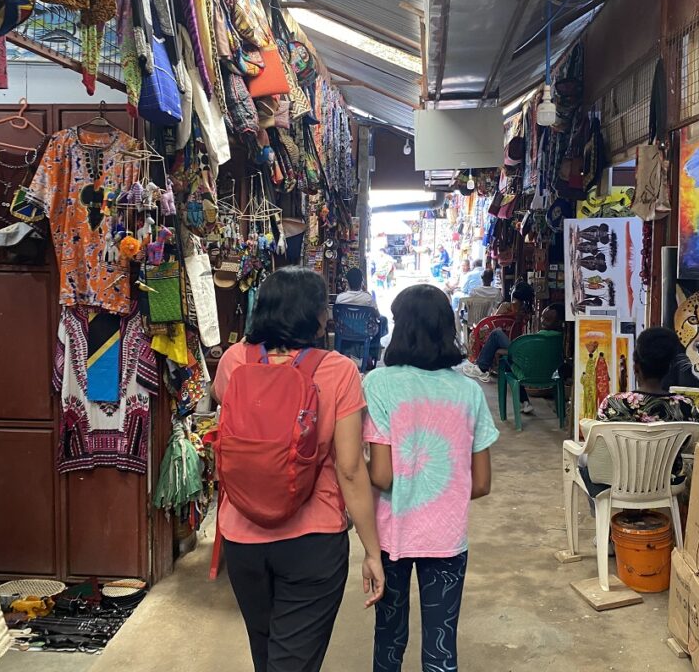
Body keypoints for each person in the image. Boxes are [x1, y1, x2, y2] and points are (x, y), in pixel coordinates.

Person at [211, 268, 385, 672]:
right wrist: (372, 551)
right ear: (316, 316)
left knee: (266, 651)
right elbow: (350, 470)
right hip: (313, 541)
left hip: (241, 537)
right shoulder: (338, 370)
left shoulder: (236, 360)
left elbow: (227, 418)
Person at [362, 284, 499, 672]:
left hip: (392, 537)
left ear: (400, 327)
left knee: (389, 637)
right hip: (447, 537)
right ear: (447, 328)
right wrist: (441, 489)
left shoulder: (378, 384)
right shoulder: (468, 392)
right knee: (441, 645)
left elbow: (383, 475)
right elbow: (483, 482)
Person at [581, 327, 699, 497]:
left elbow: (598, 448)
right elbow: (693, 448)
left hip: (618, 483)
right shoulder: (686, 407)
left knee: (583, 463)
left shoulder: (614, 403)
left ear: (636, 367)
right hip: (666, 485)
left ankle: (606, 513)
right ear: (669, 368)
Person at [461, 305, 565, 416]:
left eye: (547, 319)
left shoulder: (537, 339)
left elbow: (522, 356)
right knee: (503, 349)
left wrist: (503, 352)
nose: (543, 321)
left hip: (526, 371)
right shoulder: (558, 339)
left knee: (497, 335)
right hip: (549, 374)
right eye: (543, 318)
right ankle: (525, 402)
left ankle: (481, 367)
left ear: (558, 322)